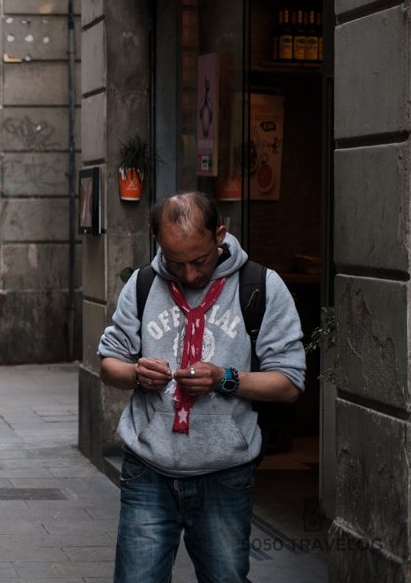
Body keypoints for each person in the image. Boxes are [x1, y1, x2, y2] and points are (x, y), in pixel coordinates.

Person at [97, 191, 305, 582]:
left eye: (200, 261)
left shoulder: (261, 285)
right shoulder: (143, 284)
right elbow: (109, 366)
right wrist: (137, 375)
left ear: (220, 235)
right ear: (159, 243)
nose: (189, 275)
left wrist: (225, 379)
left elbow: (289, 383)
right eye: (176, 263)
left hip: (224, 475)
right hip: (148, 473)